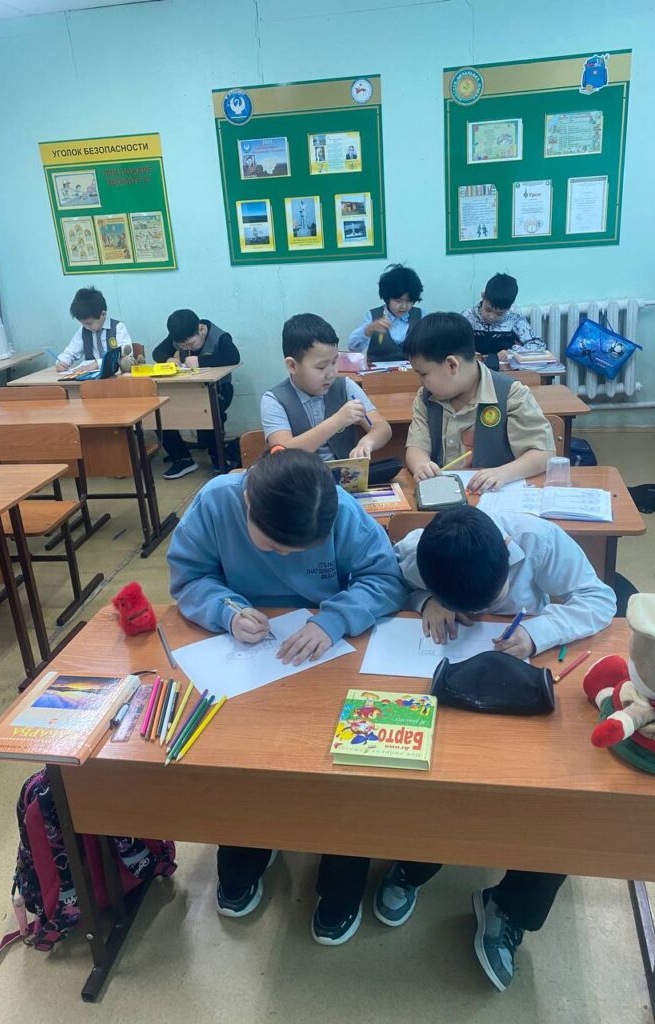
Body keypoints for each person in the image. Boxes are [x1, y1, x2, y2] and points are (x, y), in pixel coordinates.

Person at [167, 449, 409, 944]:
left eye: (297, 551)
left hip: (329, 651)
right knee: (242, 758)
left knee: (347, 757)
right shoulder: (216, 502)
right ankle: (247, 848)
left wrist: (334, 618)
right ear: (248, 501)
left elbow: (386, 579)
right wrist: (227, 610)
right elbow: (188, 578)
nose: (283, 557)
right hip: (245, 654)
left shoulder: (339, 509)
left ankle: (342, 869)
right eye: (274, 547)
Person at [375, 506, 616, 990]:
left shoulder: (539, 540)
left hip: (522, 680)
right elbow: (389, 579)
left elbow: (599, 597)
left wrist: (535, 632)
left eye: (492, 600)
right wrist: (425, 600)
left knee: (560, 796)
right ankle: (414, 861)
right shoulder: (420, 550)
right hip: (453, 682)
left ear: (509, 555)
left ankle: (509, 906)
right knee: (424, 769)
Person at [404, 312, 555, 494]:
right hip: (444, 497)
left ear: (452, 365)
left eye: (423, 374)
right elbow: (416, 446)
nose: (421, 382)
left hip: (493, 498)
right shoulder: (426, 397)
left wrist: (503, 473)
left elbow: (543, 453)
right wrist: (421, 465)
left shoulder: (510, 394)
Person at [261, 313, 392, 461]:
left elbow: (382, 427)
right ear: (292, 365)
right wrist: (337, 421)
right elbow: (282, 455)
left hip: (346, 474)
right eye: (321, 367)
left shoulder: (345, 386)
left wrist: (368, 442)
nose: (331, 373)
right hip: (299, 474)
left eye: (334, 362)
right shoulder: (274, 400)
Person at [153, 308, 240, 479]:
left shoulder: (220, 337)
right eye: (182, 346)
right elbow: (158, 352)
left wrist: (200, 361)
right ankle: (182, 458)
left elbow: (233, 357)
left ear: (201, 330)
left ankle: (218, 458)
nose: (187, 348)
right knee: (157, 413)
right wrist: (169, 359)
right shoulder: (179, 334)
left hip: (219, 390)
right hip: (187, 390)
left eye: (191, 344)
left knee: (208, 411)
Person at [461, 272, 546, 367]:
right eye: (488, 310)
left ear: (509, 307)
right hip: (474, 368)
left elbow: (538, 344)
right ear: (483, 296)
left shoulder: (514, 320)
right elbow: (452, 341)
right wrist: (464, 351)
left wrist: (512, 352)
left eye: (499, 314)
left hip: (505, 370)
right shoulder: (467, 316)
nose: (491, 316)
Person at [347, 263, 424, 360]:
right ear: (387, 298)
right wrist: (368, 330)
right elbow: (353, 348)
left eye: (409, 301)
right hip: (378, 368)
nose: (404, 306)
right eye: (398, 301)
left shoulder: (421, 316)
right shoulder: (372, 316)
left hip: (413, 368)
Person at [55, 286, 131, 370]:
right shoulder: (83, 331)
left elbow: (126, 355)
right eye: (83, 324)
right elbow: (70, 352)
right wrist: (62, 361)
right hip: (90, 377)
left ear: (103, 314)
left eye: (89, 323)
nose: (86, 327)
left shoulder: (118, 328)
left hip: (116, 375)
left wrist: (98, 364)